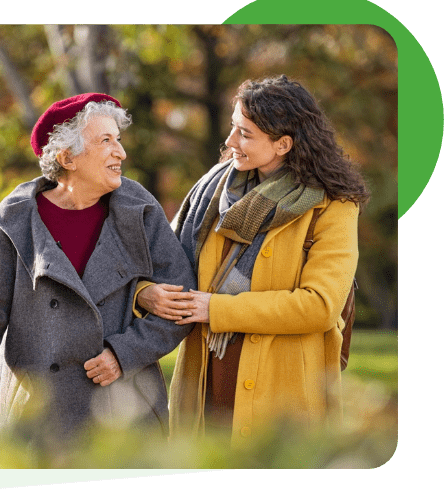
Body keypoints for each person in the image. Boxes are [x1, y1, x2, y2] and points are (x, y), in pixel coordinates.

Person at [0, 93, 196, 460]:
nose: (121, 153)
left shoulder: (140, 209)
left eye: (118, 139)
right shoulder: (14, 221)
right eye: (106, 141)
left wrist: (124, 352)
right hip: (40, 414)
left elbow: (181, 301)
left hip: (126, 410)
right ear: (67, 158)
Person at [137, 75, 369, 446]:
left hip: (284, 394)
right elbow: (157, 265)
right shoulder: (210, 194)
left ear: (283, 144)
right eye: (233, 127)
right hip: (204, 382)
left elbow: (320, 306)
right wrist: (146, 293)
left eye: (244, 133)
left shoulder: (333, 206)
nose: (230, 142)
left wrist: (218, 309)